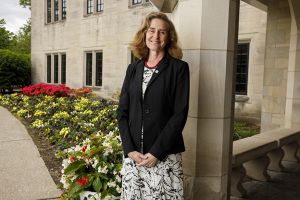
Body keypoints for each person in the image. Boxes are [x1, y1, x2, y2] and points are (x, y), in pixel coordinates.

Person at [117, 11, 190, 200]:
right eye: (151, 30)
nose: (155, 36)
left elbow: (179, 115)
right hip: (134, 158)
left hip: (163, 156)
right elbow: (122, 113)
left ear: (169, 37)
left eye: (162, 32)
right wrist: (129, 149)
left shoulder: (179, 69)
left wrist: (157, 152)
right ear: (144, 33)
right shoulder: (132, 69)